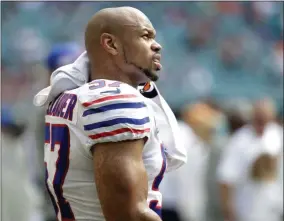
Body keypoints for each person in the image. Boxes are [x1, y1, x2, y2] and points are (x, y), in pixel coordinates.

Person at [36, 7, 186, 221]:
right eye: (145, 36)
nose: (157, 44)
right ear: (111, 44)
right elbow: (129, 214)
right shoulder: (115, 100)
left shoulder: (70, 97)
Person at [217, 98, 283, 221]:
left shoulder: (278, 135)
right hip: (247, 211)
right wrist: (228, 212)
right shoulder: (239, 140)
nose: (262, 125)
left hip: (274, 210)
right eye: (259, 120)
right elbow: (225, 179)